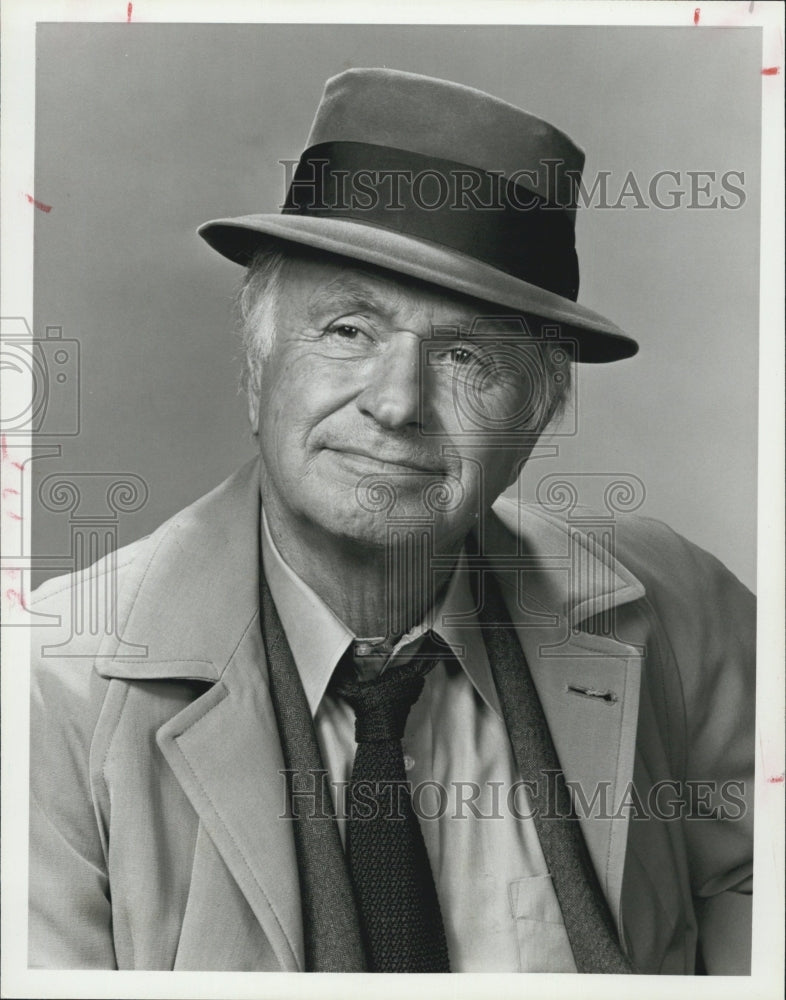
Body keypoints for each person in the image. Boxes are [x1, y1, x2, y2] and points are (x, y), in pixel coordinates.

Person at [28, 68, 754, 974]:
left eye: (467, 356)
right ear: (257, 366)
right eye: (348, 331)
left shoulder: (684, 611)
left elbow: (753, 883)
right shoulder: (51, 688)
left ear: (536, 415)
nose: (400, 403)